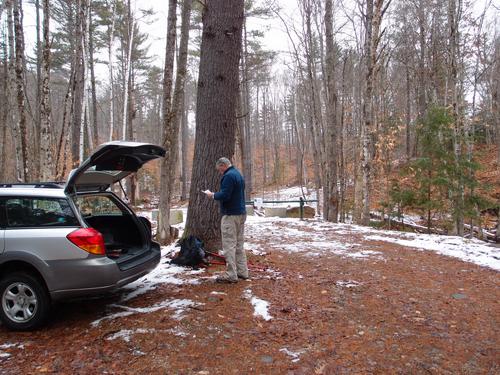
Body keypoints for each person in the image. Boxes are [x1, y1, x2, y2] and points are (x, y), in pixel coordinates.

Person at [203, 157, 248, 283]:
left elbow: (225, 195)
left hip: (231, 215)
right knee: (239, 244)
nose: (220, 172)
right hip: (241, 213)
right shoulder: (238, 174)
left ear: (223, 165)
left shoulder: (228, 176)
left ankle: (231, 274)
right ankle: (242, 271)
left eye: (220, 169)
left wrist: (212, 195)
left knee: (229, 245)